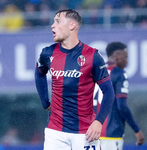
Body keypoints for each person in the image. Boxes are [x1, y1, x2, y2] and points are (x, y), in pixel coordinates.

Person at [35, 9, 115, 150]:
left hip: (86, 132)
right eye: (53, 21)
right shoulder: (47, 53)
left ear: (72, 25)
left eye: (58, 21)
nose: (52, 25)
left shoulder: (92, 56)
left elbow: (109, 92)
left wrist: (98, 121)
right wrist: (45, 102)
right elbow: (39, 73)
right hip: (55, 132)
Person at [94, 42, 145, 150]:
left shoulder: (97, 72)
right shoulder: (119, 74)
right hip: (111, 134)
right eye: (125, 57)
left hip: (92, 133)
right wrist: (137, 130)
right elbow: (121, 106)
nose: (127, 61)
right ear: (117, 56)